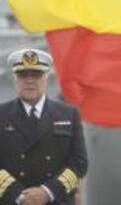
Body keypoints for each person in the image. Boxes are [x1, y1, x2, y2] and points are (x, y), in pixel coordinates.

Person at [0, 48, 88, 205]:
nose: (29, 81)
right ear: (14, 79)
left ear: (46, 78)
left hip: (57, 199)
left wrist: (48, 192)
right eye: (23, 75)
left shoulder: (69, 114)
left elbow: (79, 163)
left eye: (36, 75)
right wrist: (20, 196)